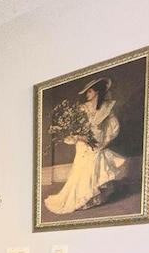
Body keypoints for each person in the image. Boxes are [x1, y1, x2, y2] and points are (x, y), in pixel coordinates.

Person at [44, 77, 126, 214]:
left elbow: (112, 126)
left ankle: (93, 199)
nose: (87, 95)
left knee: (95, 169)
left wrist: (107, 142)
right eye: (87, 92)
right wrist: (80, 137)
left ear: (97, 92)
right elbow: (70, 130)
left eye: (89, 91)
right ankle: (80, 199)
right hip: (84, 145)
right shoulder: (81, 109)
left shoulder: (106, 107)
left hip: (98, 143)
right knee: (82, 170)